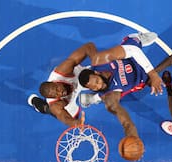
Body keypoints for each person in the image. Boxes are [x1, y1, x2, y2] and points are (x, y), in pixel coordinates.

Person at [28, 32, 160, 129]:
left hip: (84, 75)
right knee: (53, 111)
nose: (60, 93)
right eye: (55, 95)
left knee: (103, 80)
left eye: (57, 89)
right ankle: (40, 105)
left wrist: (96, 59)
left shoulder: (62, 71)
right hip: (72, 99)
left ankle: (134, 40)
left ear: (55, 82)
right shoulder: (56, 104)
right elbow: (63, 116)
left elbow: (88, 47)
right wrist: (75, 124)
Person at [78, 33, 163, 140]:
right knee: (163, 82)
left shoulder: (101, 60)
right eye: (94, 88)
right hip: (141, 78)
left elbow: (134, 51)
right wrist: (133, 137)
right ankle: (95, 98)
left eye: (96, 81)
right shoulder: (110, 97)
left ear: (97, 73)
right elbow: (127, 123)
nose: (98, 85)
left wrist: (153, 74)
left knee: (134, 42)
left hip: (131, 57)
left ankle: (137, 38)